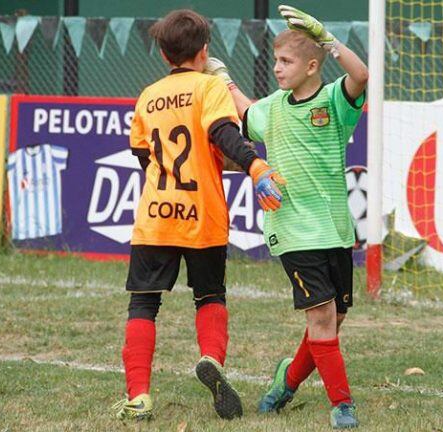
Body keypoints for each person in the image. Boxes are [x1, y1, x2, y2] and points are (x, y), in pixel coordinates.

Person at [111, 9, 285, 422]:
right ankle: (211, 358)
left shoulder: (148, 95)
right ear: (205, 51)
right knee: (209, 295)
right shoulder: (210, 87)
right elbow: (223, 135)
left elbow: (143, 155)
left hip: (155, 216)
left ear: (162, 54)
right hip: (202, 215)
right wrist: (255, 166)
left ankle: (139, 397)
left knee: (143, 303)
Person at [204, 4, 368, 429]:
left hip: (335, 227)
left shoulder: (334, 100)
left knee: (334, 320)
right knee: (321, 317)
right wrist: (221, 76)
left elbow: (361, 75)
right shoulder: (272, 108)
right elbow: (243, 110)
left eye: (286, 61)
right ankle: (342, 406)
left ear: (313, 65)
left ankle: (287, 381)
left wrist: (329, 39)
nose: (277, 68)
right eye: (275, 60)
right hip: (292, 229)